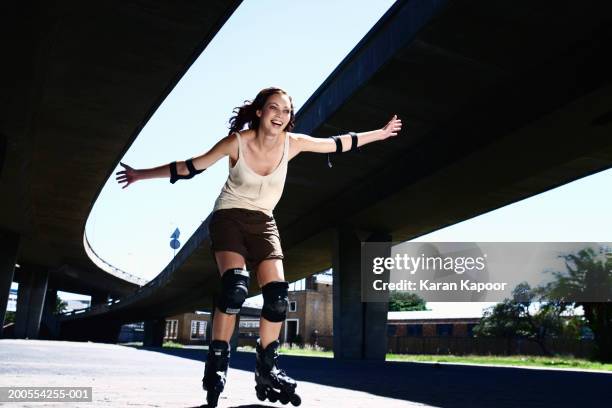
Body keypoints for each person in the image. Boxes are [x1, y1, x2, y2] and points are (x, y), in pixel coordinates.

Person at [116, 86, 402, 406]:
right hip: (229, 218)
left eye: (286, 111)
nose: (280, 115)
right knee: (235, 288)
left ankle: (267, 368)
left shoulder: (292, 144)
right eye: (273, 108)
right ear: (259, 111)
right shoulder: (236, 142)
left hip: (264, 223)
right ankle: (218, 363)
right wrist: (141, 174)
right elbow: (190, 167)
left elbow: (337, 143)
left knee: (278, 296)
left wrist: (381, 133)